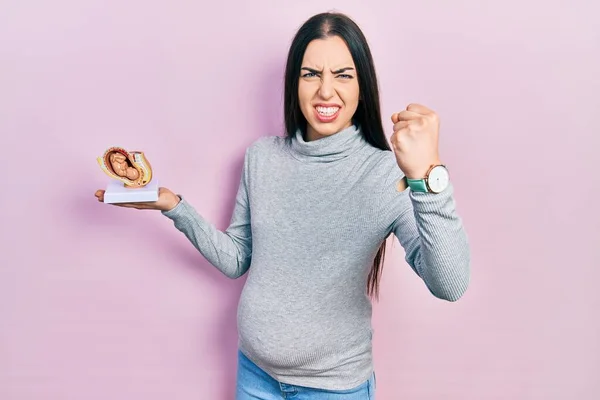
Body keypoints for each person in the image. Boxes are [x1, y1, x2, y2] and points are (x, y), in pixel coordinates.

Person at [95, 11, 470, 400]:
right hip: (254, 376)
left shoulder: (385, 173)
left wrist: (429, 177)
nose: (326, 91)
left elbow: (450, 283)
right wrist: (173, 206)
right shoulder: (262, 157)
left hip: (332, 389)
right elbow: (237, 258)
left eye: (343, 75)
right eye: (311, 74)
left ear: (363, 85)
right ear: (294, 82)